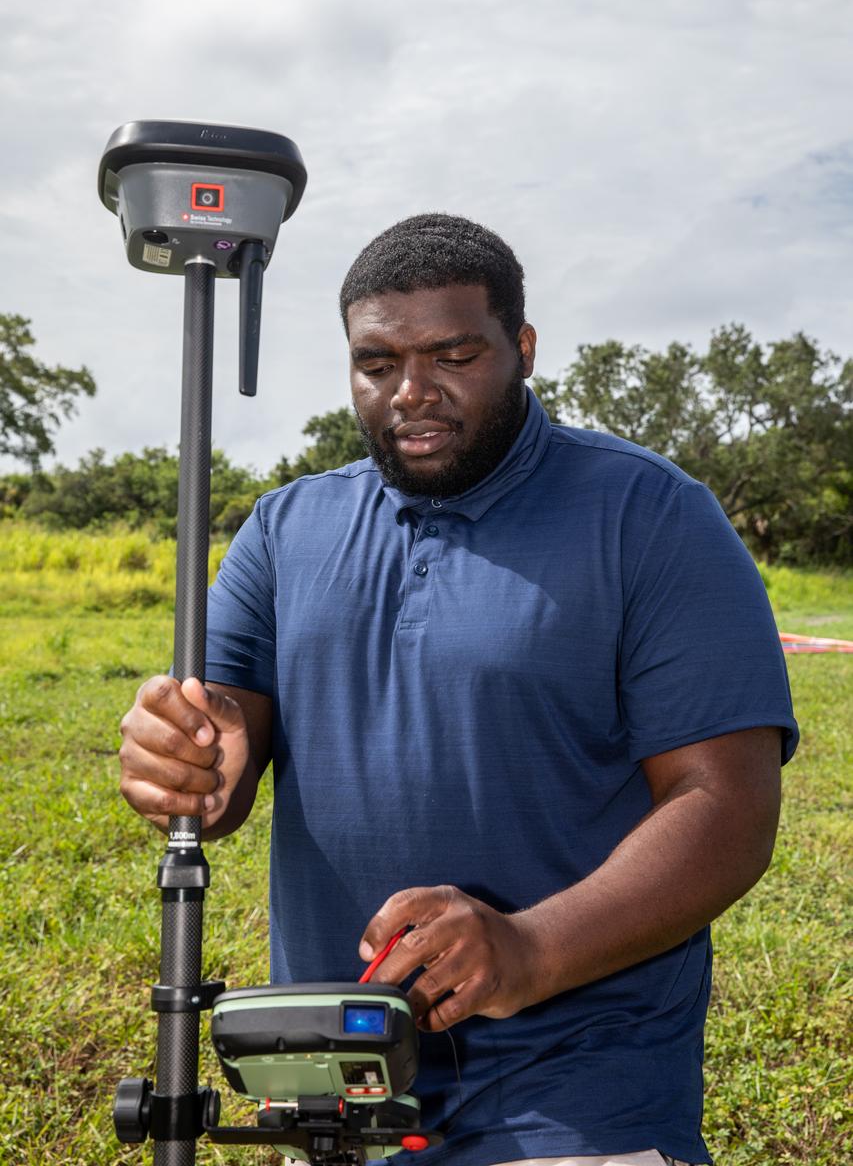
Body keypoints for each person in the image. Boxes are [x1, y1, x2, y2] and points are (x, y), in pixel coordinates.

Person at [120, 214, 798, 1166]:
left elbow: (726, 807)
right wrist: (187, 760)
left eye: (453, 355)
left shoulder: (650, 515)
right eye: (376, 363)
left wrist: (529, 949)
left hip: (579, 1087)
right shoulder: (283, 529)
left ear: (522, 348)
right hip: (339, 1086)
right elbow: (222, 751)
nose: (411, 391)